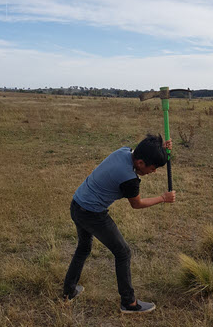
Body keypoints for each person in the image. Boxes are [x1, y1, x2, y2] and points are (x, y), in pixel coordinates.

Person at [63, 134, 176, 313]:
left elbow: (145, 150)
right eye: (152, 168)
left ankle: (68, 291)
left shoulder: (125, 151)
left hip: (77, 203)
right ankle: (129, 303)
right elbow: (136, 204)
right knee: (123, 252)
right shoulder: (129, 178)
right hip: (91, 213)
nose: (153, 172)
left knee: (84, 248)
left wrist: (161, 149)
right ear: (140, 163)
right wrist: (163, 198)